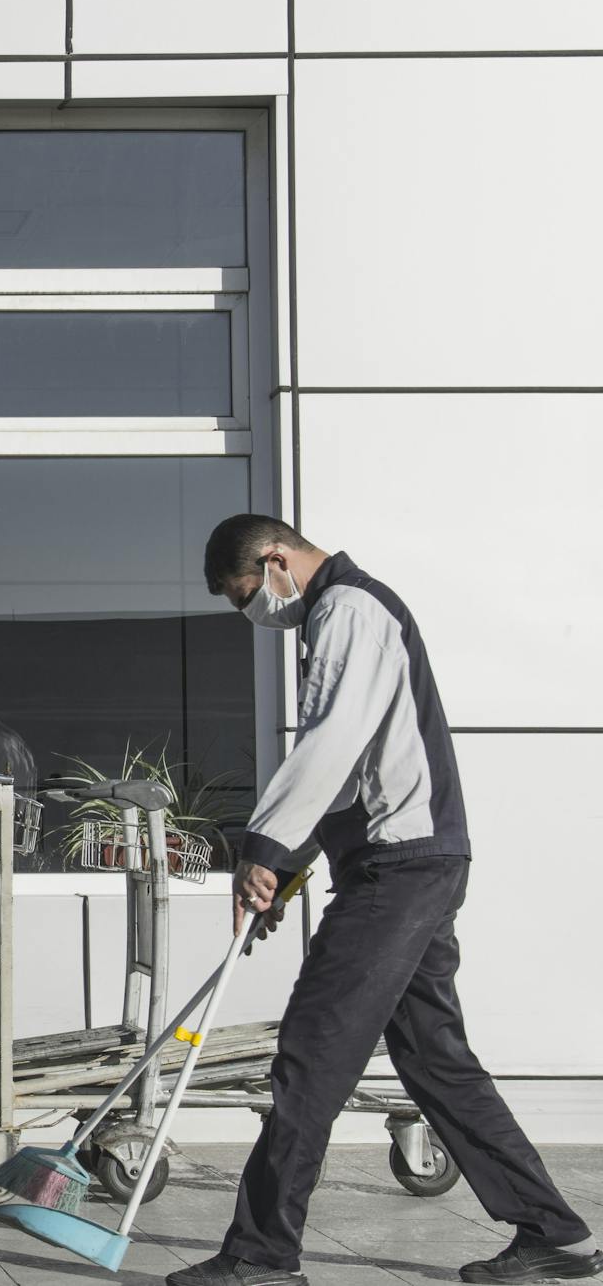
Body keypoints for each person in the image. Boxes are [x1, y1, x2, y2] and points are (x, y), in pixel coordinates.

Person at [171, 515, 597, 1286]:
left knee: (312, 1049)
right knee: (434, 1056)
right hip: (411, 862)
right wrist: (289, 870)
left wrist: (263, 850)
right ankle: (554, 1232)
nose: (253, 614)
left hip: (399, 870)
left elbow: (329, 744)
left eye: (247, 597)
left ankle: (262, 1256)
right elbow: (353, 767)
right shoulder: (344, 617)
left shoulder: (349, 611)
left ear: (275, 559)